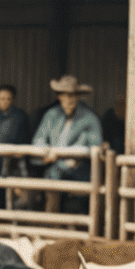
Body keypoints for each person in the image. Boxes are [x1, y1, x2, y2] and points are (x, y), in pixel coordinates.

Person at [31, 74, 103, 213]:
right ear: (59, 97)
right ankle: (52, 227)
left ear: (78, 97)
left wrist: (76, 155)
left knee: (78, 206)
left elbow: (96, 145)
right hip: (54, 169)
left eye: (73, 96)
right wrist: (46, 151)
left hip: (80, 171)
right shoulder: (51, 115)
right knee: (51, 200)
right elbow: (38, 139)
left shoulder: (90, 118)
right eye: (65, 96)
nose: (69, 100)